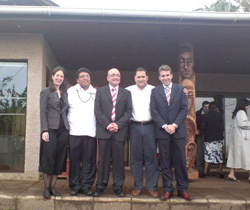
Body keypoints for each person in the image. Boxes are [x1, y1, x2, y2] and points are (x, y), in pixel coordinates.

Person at [150, 64, 192, 201]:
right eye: (163, 76)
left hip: (178, 131)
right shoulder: (155, 91)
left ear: (172, 76)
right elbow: (154, 111)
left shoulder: (180, 89)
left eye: (168, 75)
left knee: (180, 161)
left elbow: (184, 109)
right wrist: (164, 125)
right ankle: (168, 189)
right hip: (162, 132)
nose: (166, 77)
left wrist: (174, 125)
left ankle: (182, 189)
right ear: (159, 77)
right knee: (165, 162)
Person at [93, 68, 132, 197]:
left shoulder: (126, 93)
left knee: (119, 161)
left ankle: (118, 186)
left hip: (120, 132)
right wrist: (108, 124)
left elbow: (128, 111)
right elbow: (97, 110)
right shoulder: (100, 91)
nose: (115, 77)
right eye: (113, 75)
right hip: (104, 131)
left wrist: (118, 124)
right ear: (107, 78)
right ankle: (100, 186)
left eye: (118, 75)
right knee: (103, 160)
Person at [126, 67, 159, 198]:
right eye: (138, 77)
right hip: (134, 126)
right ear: (134, 78)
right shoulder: (128, 90)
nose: (141, 79)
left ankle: (152, 187)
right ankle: (137, 186)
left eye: (143, 77)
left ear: (147, 77)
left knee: (151, 158)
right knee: (136, 158)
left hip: (150, 126)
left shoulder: (154, 90)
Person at [39, 66, 69, 199]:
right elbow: (42, 111)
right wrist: (44, 130)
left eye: (61, 76)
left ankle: (53, 187)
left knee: (59, 158)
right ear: (52, 76)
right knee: (49, 158)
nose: (59, 78)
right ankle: (46, 188)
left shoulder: (65, 93)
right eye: (57, 75)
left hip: (64, 130)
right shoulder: (46, 92)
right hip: (50, 129)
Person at [67, 68, 97, 196]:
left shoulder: (96, 92)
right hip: (74, 132)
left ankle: (86, 186)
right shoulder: (71, 91)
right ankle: (74, 185)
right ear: (77, 80)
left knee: (89, 161)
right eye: (82, 76)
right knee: (74, 160)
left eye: (87, 76)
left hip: (90, 132)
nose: (85, 78)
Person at [227, 98, 250, 182]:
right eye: (247, 105)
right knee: (247, 156)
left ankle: (231, 174)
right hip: (243, 139)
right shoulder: (241, 112)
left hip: (237, 137)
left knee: (235, 156)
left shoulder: (236, 113)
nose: (248, 107)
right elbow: (243, 124)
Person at [203, 102, 224, 178]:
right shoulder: (220, 115)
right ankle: (221, 172)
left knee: (208, 155)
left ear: (209, 108)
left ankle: (205, 172)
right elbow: (222, 126)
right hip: (218, 137)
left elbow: (203, 127)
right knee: (219, 155)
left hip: (209, 138)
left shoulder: (206, 116)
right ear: (216, 108)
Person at [195, 101, 209, 178]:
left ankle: (206, 170)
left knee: (208, 152)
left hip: (208, 135)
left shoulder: (211, 114)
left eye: (208, 107)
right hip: (200, 134)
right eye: (205, 107)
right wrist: (196, 130)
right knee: (199, 152)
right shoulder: (197, 113)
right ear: (203, 107)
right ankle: (199, 170)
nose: (207, 108)